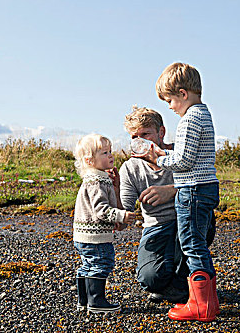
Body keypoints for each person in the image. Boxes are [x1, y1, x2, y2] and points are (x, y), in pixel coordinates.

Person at [135, 62, 220, 322]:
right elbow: (189, 156)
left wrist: (157, 158)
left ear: (183, 94)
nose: (170, 107)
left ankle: (201, 306)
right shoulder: (204, 114)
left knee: (192, 245)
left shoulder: (189, 119)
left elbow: (183, 161)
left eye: (170, 100)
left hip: (192, 189)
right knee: (196, 245)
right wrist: (166, 154)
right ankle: (206, 301)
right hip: (204, 186)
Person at [119, 106, 190, 305]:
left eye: (145, 134)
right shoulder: (130, 168)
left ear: (161, 132)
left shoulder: (180, 154)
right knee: (149, 279)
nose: (139, 141)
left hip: (186, 218)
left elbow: (205, 186)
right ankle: (178, 282)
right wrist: (112, 190)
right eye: (134, 136)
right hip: (155, 226)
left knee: (196, 217)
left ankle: (184, 283)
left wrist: (172, 190)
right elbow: (125, 209)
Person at [72, 133, 136, 313]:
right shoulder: (97, 180)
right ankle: (96, 302)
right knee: (101, 263)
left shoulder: (96, 178)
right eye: (104, 153)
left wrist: (114, 186)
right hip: (95, 236)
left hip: (84, 235)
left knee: (88, 265)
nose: (110, 156)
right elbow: (100, 210)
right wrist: (121, 215)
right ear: (90, 160)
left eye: (110, 151)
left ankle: (84, 300)